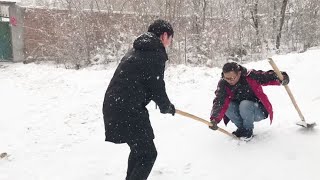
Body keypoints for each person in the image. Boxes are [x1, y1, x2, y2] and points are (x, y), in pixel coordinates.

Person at [102, 19, 175, 180]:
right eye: (170, 38)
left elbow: (148, 83)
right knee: (148, 154)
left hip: (115, 106)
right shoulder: (155, 52)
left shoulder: (140, 48)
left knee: (139, 151)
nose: (170, 42)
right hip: (128, 109)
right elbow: (156, 86)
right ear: (164, 35)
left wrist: (164, 104)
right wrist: (166, 106)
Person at [208, 62, 289, 140]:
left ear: (239, 73)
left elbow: (267, 76)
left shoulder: (251, 76)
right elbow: (219, 101)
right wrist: (214, 119)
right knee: (228, 106)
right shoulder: (223, 84)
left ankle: (247, 130)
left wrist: (281, 77)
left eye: (232, 78)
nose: (230, 81)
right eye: (227, 78)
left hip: (258, 111)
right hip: (240, 112)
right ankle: (242, 129)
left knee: (245, 104)